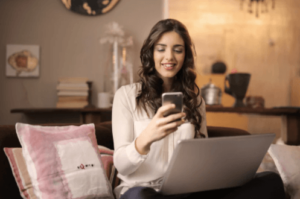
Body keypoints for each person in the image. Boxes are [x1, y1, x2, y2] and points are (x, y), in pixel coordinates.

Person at [112, 19, 285, 199]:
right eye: (161, 48)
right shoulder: (126, 96)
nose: (169, 57)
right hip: (142, 191)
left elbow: (201, 159)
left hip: (186, 192)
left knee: (271, 181)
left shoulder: (196, 101)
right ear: (151, 53)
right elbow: (121, 165)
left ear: (185, 55)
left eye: (177, 50)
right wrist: (146, 138)